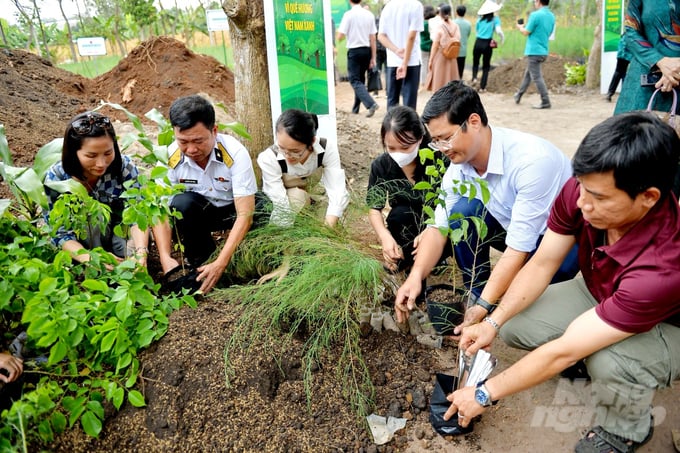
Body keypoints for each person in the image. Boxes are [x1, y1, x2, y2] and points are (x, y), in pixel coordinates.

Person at [447, 112, 680, 453]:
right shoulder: (585, 189)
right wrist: (492, 322)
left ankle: (628, 428)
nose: (583, 203)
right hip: (602, 289)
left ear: (648, 197)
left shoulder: (664, 265)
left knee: (611, 360)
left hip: (667, 324)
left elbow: (564, 350)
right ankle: (597, 344)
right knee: (513, 324)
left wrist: (484, 393)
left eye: (599, 198)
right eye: (582, 188)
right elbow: (542, 263)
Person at [393, 81, 578, 325]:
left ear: (473, 122)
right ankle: (478, 291)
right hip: (513, 227)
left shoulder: (531, 163)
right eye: (436, 142)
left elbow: (518, 248)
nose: (442, 149)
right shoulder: (460, 166)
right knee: (463, 212)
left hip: (560, 240)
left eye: (446, 138)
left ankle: (488, 301)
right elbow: (439, 227)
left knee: (532, 309)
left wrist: (484, 310)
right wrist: (416, 276)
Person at [154, 95, 259, 294]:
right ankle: (202, 263)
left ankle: (243, 262)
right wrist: (165, 257)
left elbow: (245, 214)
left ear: (214, 131)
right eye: (183, 142)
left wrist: (221, 262)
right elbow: (159, 212)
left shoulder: (235, 153)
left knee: (262, 208)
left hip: (232, 211)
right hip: (201, 214)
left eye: (198, 141)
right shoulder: (169, 158)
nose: (191, 149)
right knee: (181, 204)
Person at [43, 111, 156, 268]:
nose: (101, 163)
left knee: (130, 250)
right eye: (91, 156)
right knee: (91, 216)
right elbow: (59, 233)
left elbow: (138, 214)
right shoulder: (56, 178)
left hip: (118, 234)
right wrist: (89, 258)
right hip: (83, 243)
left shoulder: (124, 168)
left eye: (108, 153)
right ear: (74, 153)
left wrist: (141, 253)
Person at [367, 105, 451, 273]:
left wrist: (432, 231)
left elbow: (452, 203)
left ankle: (436, 257)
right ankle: (403, 258)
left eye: (405, 147)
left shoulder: (438, 160)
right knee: (399, 215)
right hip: (406, 227)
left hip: (440, 224)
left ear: (420, 138)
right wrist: (384, 237)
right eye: (391, 148)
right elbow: (374, 208)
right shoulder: (382, 165)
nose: (398, 154)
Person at [257, 109, 350, 228]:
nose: (287, 156)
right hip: (289, 201)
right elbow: (279, 202)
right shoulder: (269, 158)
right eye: (282, 148)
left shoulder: (326, 148)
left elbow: (337, 189)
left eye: (295, 151)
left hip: (314, 196)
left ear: (311, 142)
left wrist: (328, 228)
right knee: (298, 197)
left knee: (337, 216)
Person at [614, 0, 680, 115]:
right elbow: (631, 31)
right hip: (645, 80)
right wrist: (659, 60)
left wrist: (676, 69)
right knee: (634, 129)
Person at [377, 0, 424, 110]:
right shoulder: (415, 5)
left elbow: (381, 36)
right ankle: (408, 127)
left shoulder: (388, 7)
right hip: (411, 61)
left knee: (392, 101)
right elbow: (411, 36)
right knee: (409, 103)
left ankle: (391, 127)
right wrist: (405, 63)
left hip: (393, 61)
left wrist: (396, 50)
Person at [337, 0, 380, 118]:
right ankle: (355, 109)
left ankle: (371, 104)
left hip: (354, 51)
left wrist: (339, 36)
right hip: (366, 50)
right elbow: (373, 38)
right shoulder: (369, 15)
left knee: (354, 80)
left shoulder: (348, 15)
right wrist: (373, 57)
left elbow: (340, 36)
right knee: (360, 80)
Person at [513, 0, 556, 109]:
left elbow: (526, 32)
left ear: (538, 1)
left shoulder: (535, 15)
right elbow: (550, 33)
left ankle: (545, 100)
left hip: (534, 51)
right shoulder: (551, 16)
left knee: (537, 77)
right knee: (528, 74)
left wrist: (520, 27)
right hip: (543, 50)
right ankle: (518, 95)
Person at [470, 0, 504, 93]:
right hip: (487, 44)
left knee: (475, 62)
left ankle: (474, 78)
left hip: (478, 42)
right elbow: (499, 31)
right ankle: (482, 87)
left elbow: (477, 32)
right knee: (486, 66)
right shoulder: (495, 20)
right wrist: (502, 38)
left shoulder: (479, 20)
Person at [426, 4, 461, 92]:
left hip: (441, 55)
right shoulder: (455, 26)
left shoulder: (440, 26)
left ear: (440, 13)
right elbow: (458, 39)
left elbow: (435, 44)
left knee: (439, 81)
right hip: (452, 56)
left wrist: (431, 59)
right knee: (451, 79)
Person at [606, 32, 631, 102]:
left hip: (621, 56)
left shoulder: (624, 35)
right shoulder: (631, 34)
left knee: (618, 73)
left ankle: (610, 93)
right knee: (623, 74)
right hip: (627, 56)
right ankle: (624, 95)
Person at [419, 5, 437, 90]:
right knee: (432, 64)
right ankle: (432, 82)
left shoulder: (422, 23)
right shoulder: (433, 23)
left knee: (424, 64)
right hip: (433, 45)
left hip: (423, 46)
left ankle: (423, 83)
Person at [454, 4, 472, 80]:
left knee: (453, 71)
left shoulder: (452, 22)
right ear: (465, 13)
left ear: (456, 12)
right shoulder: (468, 24)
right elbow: (467, 35)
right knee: (460, 70)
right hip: (463, 50)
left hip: (453, 50)